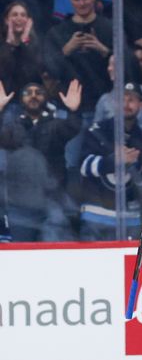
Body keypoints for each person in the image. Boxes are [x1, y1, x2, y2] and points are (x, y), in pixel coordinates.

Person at [0, 80, 82, 241]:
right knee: (21, 253)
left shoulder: (55, 125)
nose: (33, 96)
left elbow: (71, 128)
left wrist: (73, 111)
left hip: (53, 200)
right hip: (20, 203)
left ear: (46, 98)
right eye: (28, 93)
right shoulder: (13, 126)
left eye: (38, 93)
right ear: (21, 99)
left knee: (55, 252)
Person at [77, 83, 142, 241]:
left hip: (130, 220)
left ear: (141, 105)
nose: (126, 104)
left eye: (131, 99)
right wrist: (114, 161)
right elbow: (84, 166)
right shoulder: (97, 130)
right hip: (95, 216)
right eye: (122, 99)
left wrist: (135, 165)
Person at [43, 0, 112, 115]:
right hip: (67, 106)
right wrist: (66, 50)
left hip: (104, 105)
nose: (81, 3)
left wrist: (103, 50)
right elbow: (49, 70)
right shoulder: (57, 32)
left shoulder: (110, 29)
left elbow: (126, 66)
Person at [0, 1, 44, 116]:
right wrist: (10, 44)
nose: (19, 18)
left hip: (31, 104)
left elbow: (33, 74)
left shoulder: (35, 44)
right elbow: (3, 72)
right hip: (5, 104)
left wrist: (24, 43)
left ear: (29, 21)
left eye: (23, 15)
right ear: (6, 20)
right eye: (14, 15)